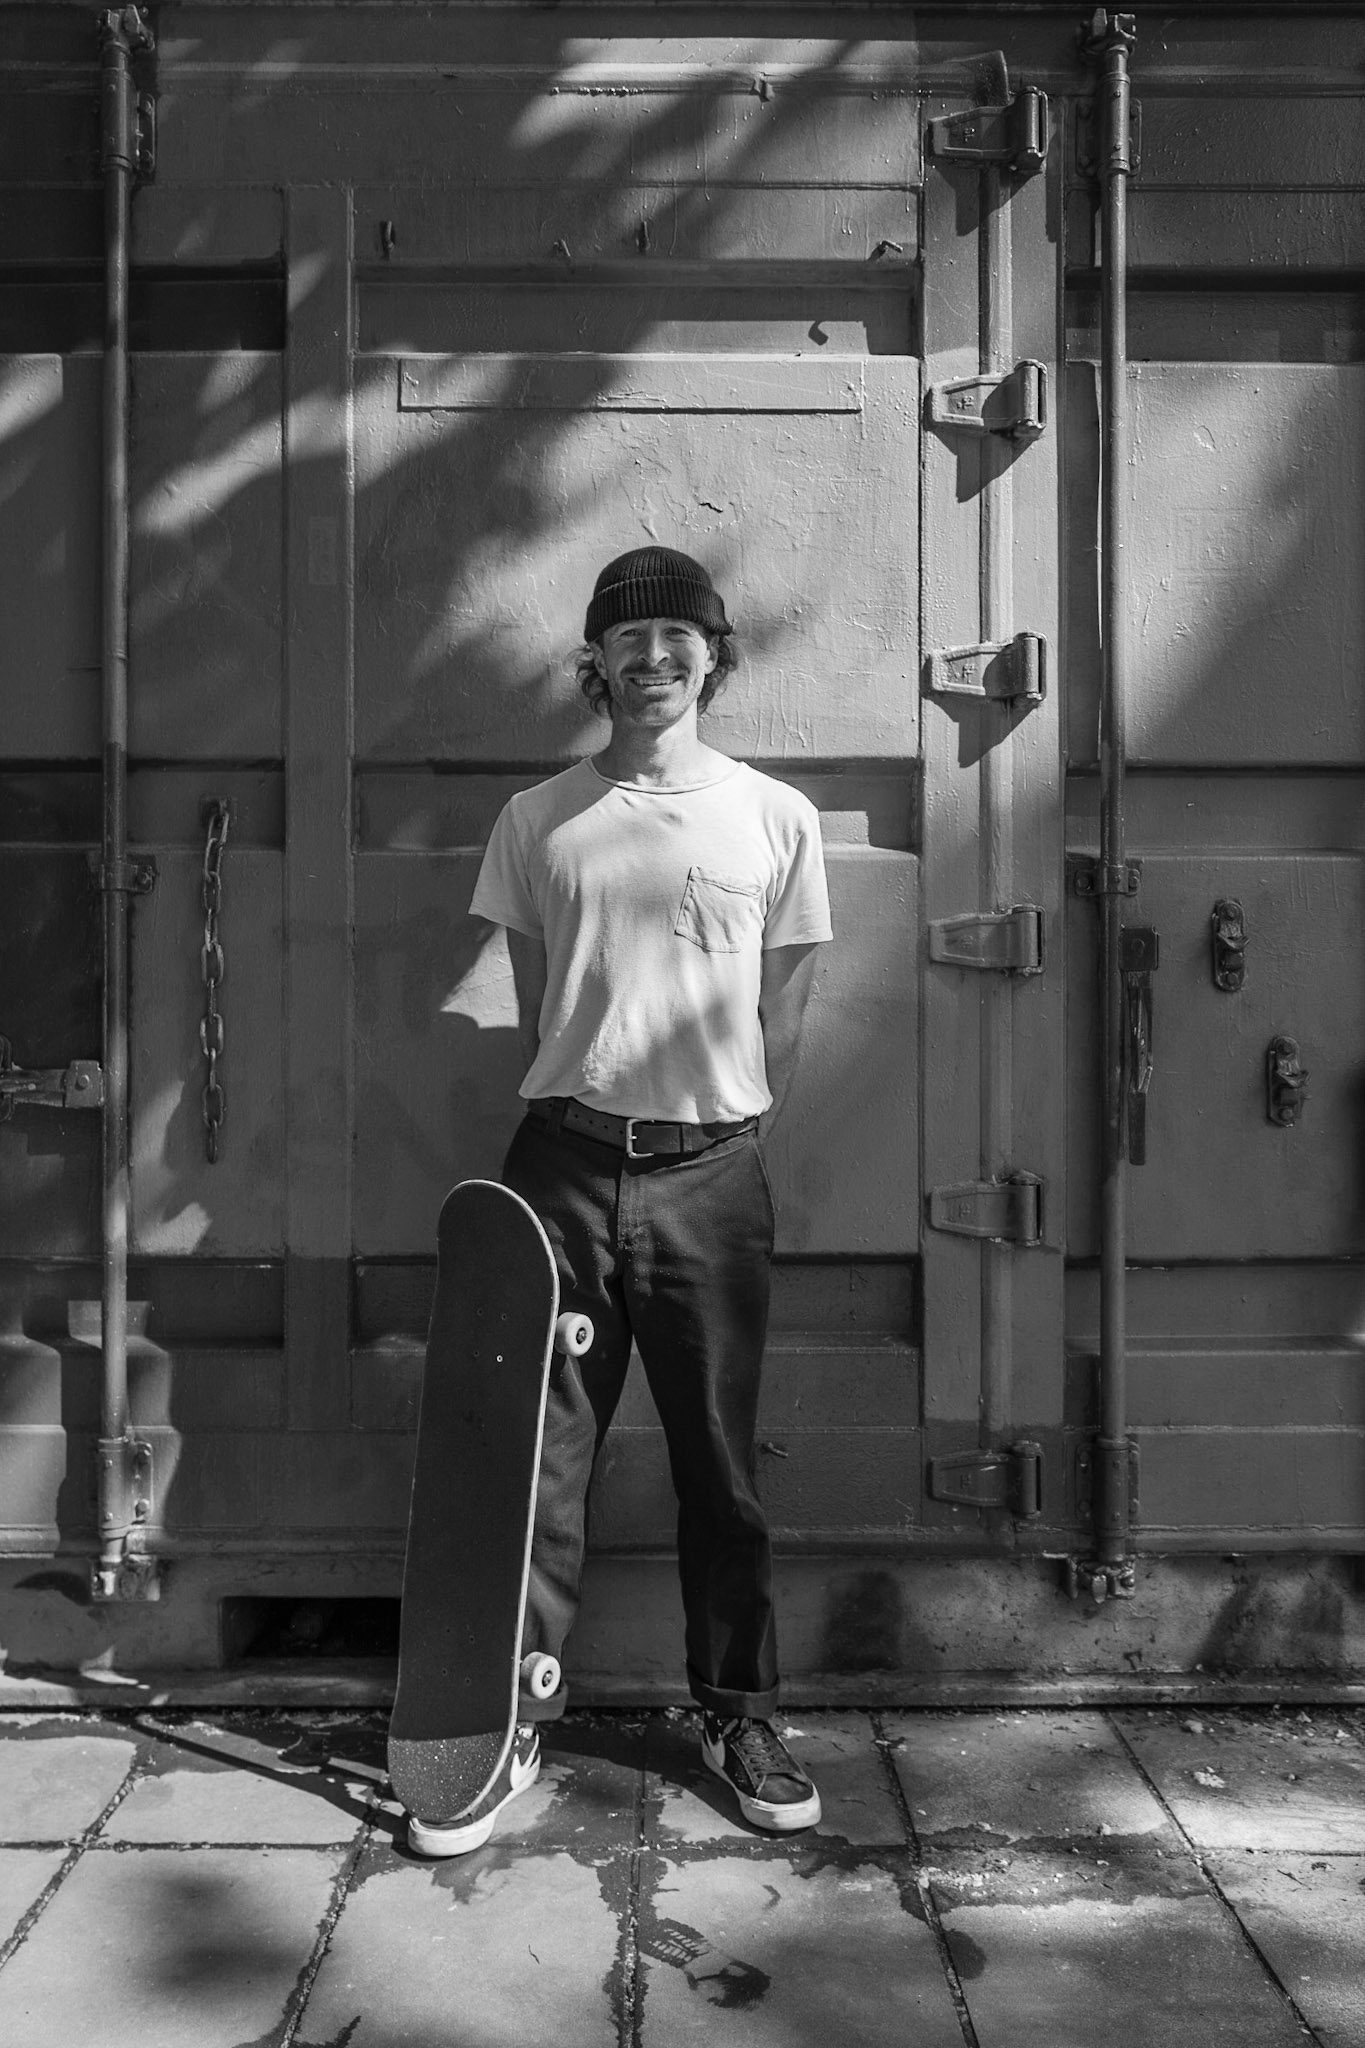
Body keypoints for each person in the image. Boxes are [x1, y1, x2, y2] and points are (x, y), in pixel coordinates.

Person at [408, 546, 832, 1857]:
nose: (653, 660)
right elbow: (550, 988)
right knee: (535, 1467)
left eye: (677, 639)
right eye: (627, 640)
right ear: (594, 663)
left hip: (710, 1174)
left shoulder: (775, 815)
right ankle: (504, 1716)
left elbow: (790, 1000)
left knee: (719, 1465)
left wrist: (725, 1119)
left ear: (714, 658)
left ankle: (737, 1713)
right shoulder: (541, 817)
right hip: (563, 1172)